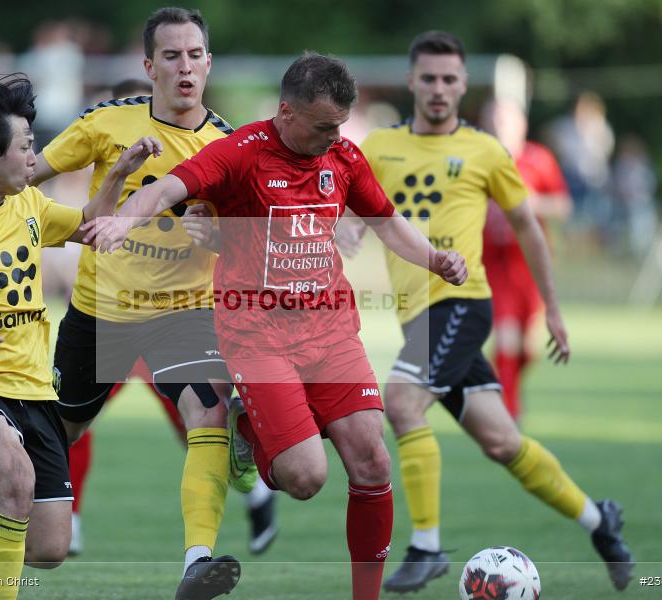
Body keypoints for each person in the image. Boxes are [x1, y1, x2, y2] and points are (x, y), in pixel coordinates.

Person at [82, 51, 468, 600]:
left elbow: (386, 220)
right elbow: (166, 189)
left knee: (372, 458)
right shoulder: (239, 155)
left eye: (340, 126)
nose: (334, 137)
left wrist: (435, 259)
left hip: (332, 332)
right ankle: (249, 428)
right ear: (286, 113)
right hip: (256, 336)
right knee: (306, 479)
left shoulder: (344, 158)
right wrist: (122, 221)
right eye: (323, 127)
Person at [349, 31, 633, 593]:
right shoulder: (378, 148)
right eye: (428, 78)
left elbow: (528, 224)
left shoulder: (484, 150)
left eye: (449, 79)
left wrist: (552, 309)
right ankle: (600, 521)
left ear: (463, 85)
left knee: (402, 403)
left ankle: (426, 546)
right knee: (502, 441)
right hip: (417, 317)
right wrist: (345, 230)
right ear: (411, 82)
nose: (438, 89)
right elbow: (358, 213)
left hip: (461, 303)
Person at [0, 67, 160, 599]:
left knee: (48, 549)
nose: (35, 157)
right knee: (15, 484)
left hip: (35, 391)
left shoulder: (27, 203)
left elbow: (89, 224)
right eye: (26, 146)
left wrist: (119, 172)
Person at [30, 8, 254, 598]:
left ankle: (197, 562)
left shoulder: (228, 145)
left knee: (207, 415)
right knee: (62, 433)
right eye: (172, 56)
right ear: (148, 64)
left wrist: (221, 238)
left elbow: (250, 243)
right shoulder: (107, 122)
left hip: (185, 314)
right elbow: (27, 176)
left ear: (209, 62)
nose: (185, 67)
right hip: (101, 315)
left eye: (195, 55)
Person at [481, 97, 572, 420]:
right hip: (494, 262)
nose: (498, 126)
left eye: (505, 120)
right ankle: (508, 409)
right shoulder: (480, 161)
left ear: (522, 124)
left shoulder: (539, 159)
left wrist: (531, 205)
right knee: (506, 335)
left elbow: (562, 205)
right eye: (493, 120)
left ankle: (502, 383)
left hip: (530, 263)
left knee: (529, 347)